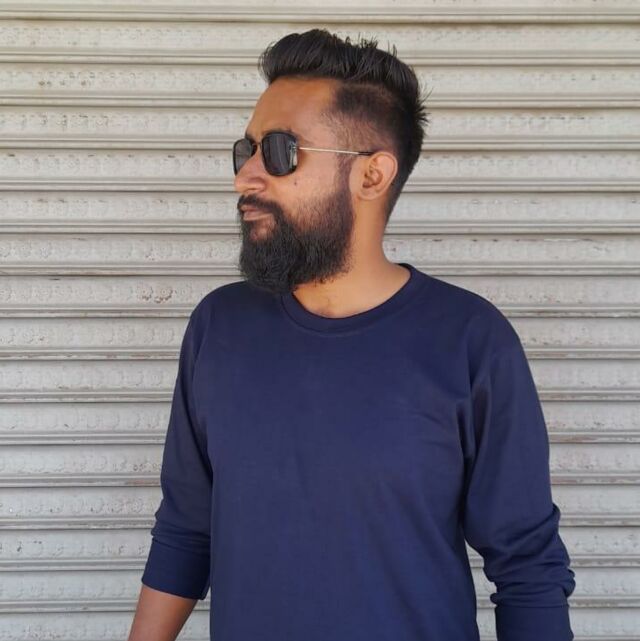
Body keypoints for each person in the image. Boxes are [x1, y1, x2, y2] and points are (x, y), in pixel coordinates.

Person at [127, 28, 576, 641]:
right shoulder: (220, 327)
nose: (245, 177)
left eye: (280, 151)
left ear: (372, 175)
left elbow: (527, 565)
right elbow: (186, 527)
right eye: (245, 150)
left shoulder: (470, 342)